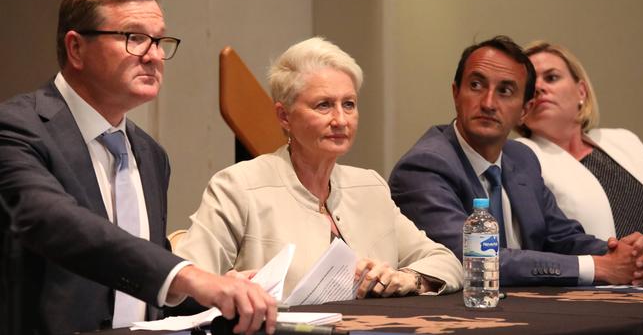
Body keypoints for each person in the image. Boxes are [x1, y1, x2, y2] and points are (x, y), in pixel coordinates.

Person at [0, 0, 276, 335]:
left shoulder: (151, 154)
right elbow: (57, 222)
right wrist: (188, 276)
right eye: (135, 38)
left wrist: (220, 290)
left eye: (159, 41)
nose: (154, 56)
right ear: (76, 48)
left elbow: (139, 284)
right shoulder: (17, 128)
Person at [175, 37, 463, 300]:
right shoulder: (239, 186)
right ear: (284, 116)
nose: (340, 119)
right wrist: (227, 286)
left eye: (349, 104)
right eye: (323, 105)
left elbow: (446, 261)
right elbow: (186, 283)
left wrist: (408, 278)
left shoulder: (369, 187)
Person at [388, 35, 643, 287]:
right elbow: (476, 259)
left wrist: (627, 254)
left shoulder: (521, 158)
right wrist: (599, 267)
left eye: (505, 90)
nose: (489, 103)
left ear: (525, 110)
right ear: (456, 94)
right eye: (476, 85)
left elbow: (562, 237)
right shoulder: (425, 166)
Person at [516, 41, 643, 241]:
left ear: (581, 91)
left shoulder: (625, 140)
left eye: (551, 77)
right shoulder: (521, 157)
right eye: (529, 85)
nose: (538, 88)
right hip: (600, 270)